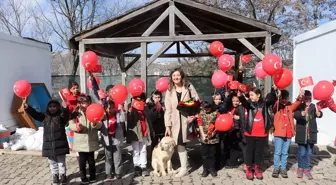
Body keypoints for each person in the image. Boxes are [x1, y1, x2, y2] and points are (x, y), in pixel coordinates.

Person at [23, 99, 69, 185]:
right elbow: (35, 115)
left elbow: (66, 116)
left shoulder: (61, 117)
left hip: (60, 144)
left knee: (61, 162)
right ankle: (55, 175)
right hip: (49, 144)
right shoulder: (44, 116)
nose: (52, 108)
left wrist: (65, 109)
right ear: (48, 108)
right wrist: (28, 108)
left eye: (54, 106)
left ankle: (63, 175)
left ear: (58, 107)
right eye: (50, 107)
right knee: (52, 162)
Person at [164, 68, 199, 177]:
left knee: (181, 143)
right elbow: (168, 109)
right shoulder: (169, 90)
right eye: (173, 76)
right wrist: (168, 125)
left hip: (186, 120)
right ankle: (185, 165)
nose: (176, 77)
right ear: (171, 77)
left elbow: (196, 101)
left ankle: (184, 167)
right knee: (179, 143)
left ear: (182, 76)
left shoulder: (188, 87)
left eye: (178, 75)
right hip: (175, 122)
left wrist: (194, 116)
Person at [238, 87, 277, 180]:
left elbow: (272, 99)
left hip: (262, 133)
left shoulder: (265, 104)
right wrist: (241, 97)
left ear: (258, 95)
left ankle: (257, 169)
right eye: (250, 95)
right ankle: (248, 169)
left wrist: (273, 90)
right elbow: (244, 102)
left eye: (252, 95)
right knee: (249, 152)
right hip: (250, 133)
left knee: (258, 152)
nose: (250, 97)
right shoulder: (250, 104)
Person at [69, 94, 102, 184]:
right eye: (81, 103)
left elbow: (100, 123)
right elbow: (70, 124)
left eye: (85, 102)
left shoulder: (93, 110)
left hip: (91, 140)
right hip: (80, 141)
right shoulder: (76, 113)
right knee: (82, 161)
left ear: (89, 103)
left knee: (91, 161)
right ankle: (83, 176)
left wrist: (95, 124)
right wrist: (76, 126)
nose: (83, 105)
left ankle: (92, 175)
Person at [272, 89, 304, 178]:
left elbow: (297, 103)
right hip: (279, 133)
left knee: (285, 152)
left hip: (288, 133)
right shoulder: (277, 107)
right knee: (278, 152)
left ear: (288, 98)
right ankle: (276, 168)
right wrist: (278, 97)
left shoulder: (290, 107)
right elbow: (275, 106)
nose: (284, 100)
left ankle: (283, 168)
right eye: (282, 98)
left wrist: (300, 95)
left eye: (285, 98)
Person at [294, 90, 323, 180]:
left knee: (309, 153)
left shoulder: (314, 106)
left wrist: (319, 114)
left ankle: (306, 168)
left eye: (309, 98)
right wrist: (300, 114)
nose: (308, 100)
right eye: (306, 98)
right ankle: (300, 168)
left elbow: (319, 114)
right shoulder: (299, 106)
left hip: (311, 134)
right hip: (302, 134)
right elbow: (295, 114)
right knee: (302, 152)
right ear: (303, 99)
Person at [127, 93, 153, 177]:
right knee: (136, 150)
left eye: (141, 97)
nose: (139, 99)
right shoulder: (130, 106)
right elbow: (129, 121)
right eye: (137, 97)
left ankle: (143, 166)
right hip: (135, 131)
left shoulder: (145, 106)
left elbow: (148, 118)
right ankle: (137, 166)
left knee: (143, 149)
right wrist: (130, 112)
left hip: (144, 129)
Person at [101, 100, 125, 181]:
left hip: (116, 138)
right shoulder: (103, 116)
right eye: (108, 107)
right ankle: (108, 173)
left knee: (117, 156)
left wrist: (121, 110)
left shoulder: (118, 113)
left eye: (112, 107)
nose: (110, 109)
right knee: (108, 157)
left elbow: (122, 120)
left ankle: (118, 173)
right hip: (107, 139)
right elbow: (99, 126)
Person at [197, 101, 220, 177]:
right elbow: (200, 124)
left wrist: (214, 132)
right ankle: (205, 169)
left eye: (208, 108)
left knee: (212, 154)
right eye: (205, 108)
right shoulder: (201, 113)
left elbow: (219, 123)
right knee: (204, 154)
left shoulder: (216, 113)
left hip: (213, 137)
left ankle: (212, 168)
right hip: (204, 136)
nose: (206, 110)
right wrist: (203, 134)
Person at [226, 93, 246, 168]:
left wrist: (240, 118)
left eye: (237, 101)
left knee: (236, 146)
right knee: (231, 146)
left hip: (238, 129)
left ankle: (233, 162)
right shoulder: (229, 108)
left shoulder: (241, 108)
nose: (235, 102)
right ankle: (232, 160)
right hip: (230, 129)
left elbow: (244, 118)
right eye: (234, 101)